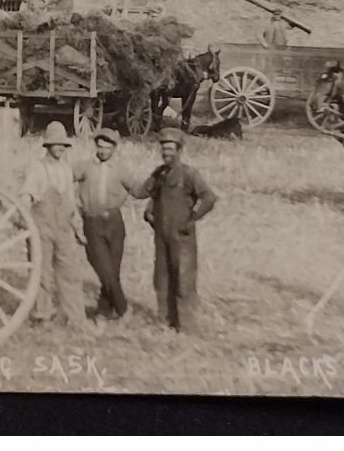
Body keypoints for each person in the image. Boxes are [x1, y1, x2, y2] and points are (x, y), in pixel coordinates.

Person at [141, 127, 217, 332]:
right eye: (163, 149)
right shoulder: (159, 174)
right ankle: (164, 321)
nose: (166, 153)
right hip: (162, 235)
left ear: (179, 149)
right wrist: (148, 212)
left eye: (170, 148)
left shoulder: (189, 174)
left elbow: (209, 198)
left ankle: (186, 325)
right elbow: (150, 195)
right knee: (161, 278)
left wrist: (192, 218)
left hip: (182, 237)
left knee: (183, 279)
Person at [19, 121, 88, 328]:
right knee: (42, 273)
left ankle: (75, 317)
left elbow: (70, 201)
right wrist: (24, 218)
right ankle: (42, 315)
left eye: (63, 145)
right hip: (42, 228)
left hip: (64, 228)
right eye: (55, 144)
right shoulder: (37, 167)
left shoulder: (66, 169)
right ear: (47, 145)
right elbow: (27, 194)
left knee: (70, 272)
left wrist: (78, 228)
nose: (59, 148)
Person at [77, 127, 142, 321]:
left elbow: (138, 190)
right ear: (95, 146)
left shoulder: (121, 170)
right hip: (92, 223)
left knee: (112, 270)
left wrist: (157, 186)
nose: (103, 151)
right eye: (100, 147)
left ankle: (103, 310)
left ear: (114, 148)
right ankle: (123, 309)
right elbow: (64, 178)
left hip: (115, 223)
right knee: (104, 269)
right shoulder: (85, 167)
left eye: (107, 148)